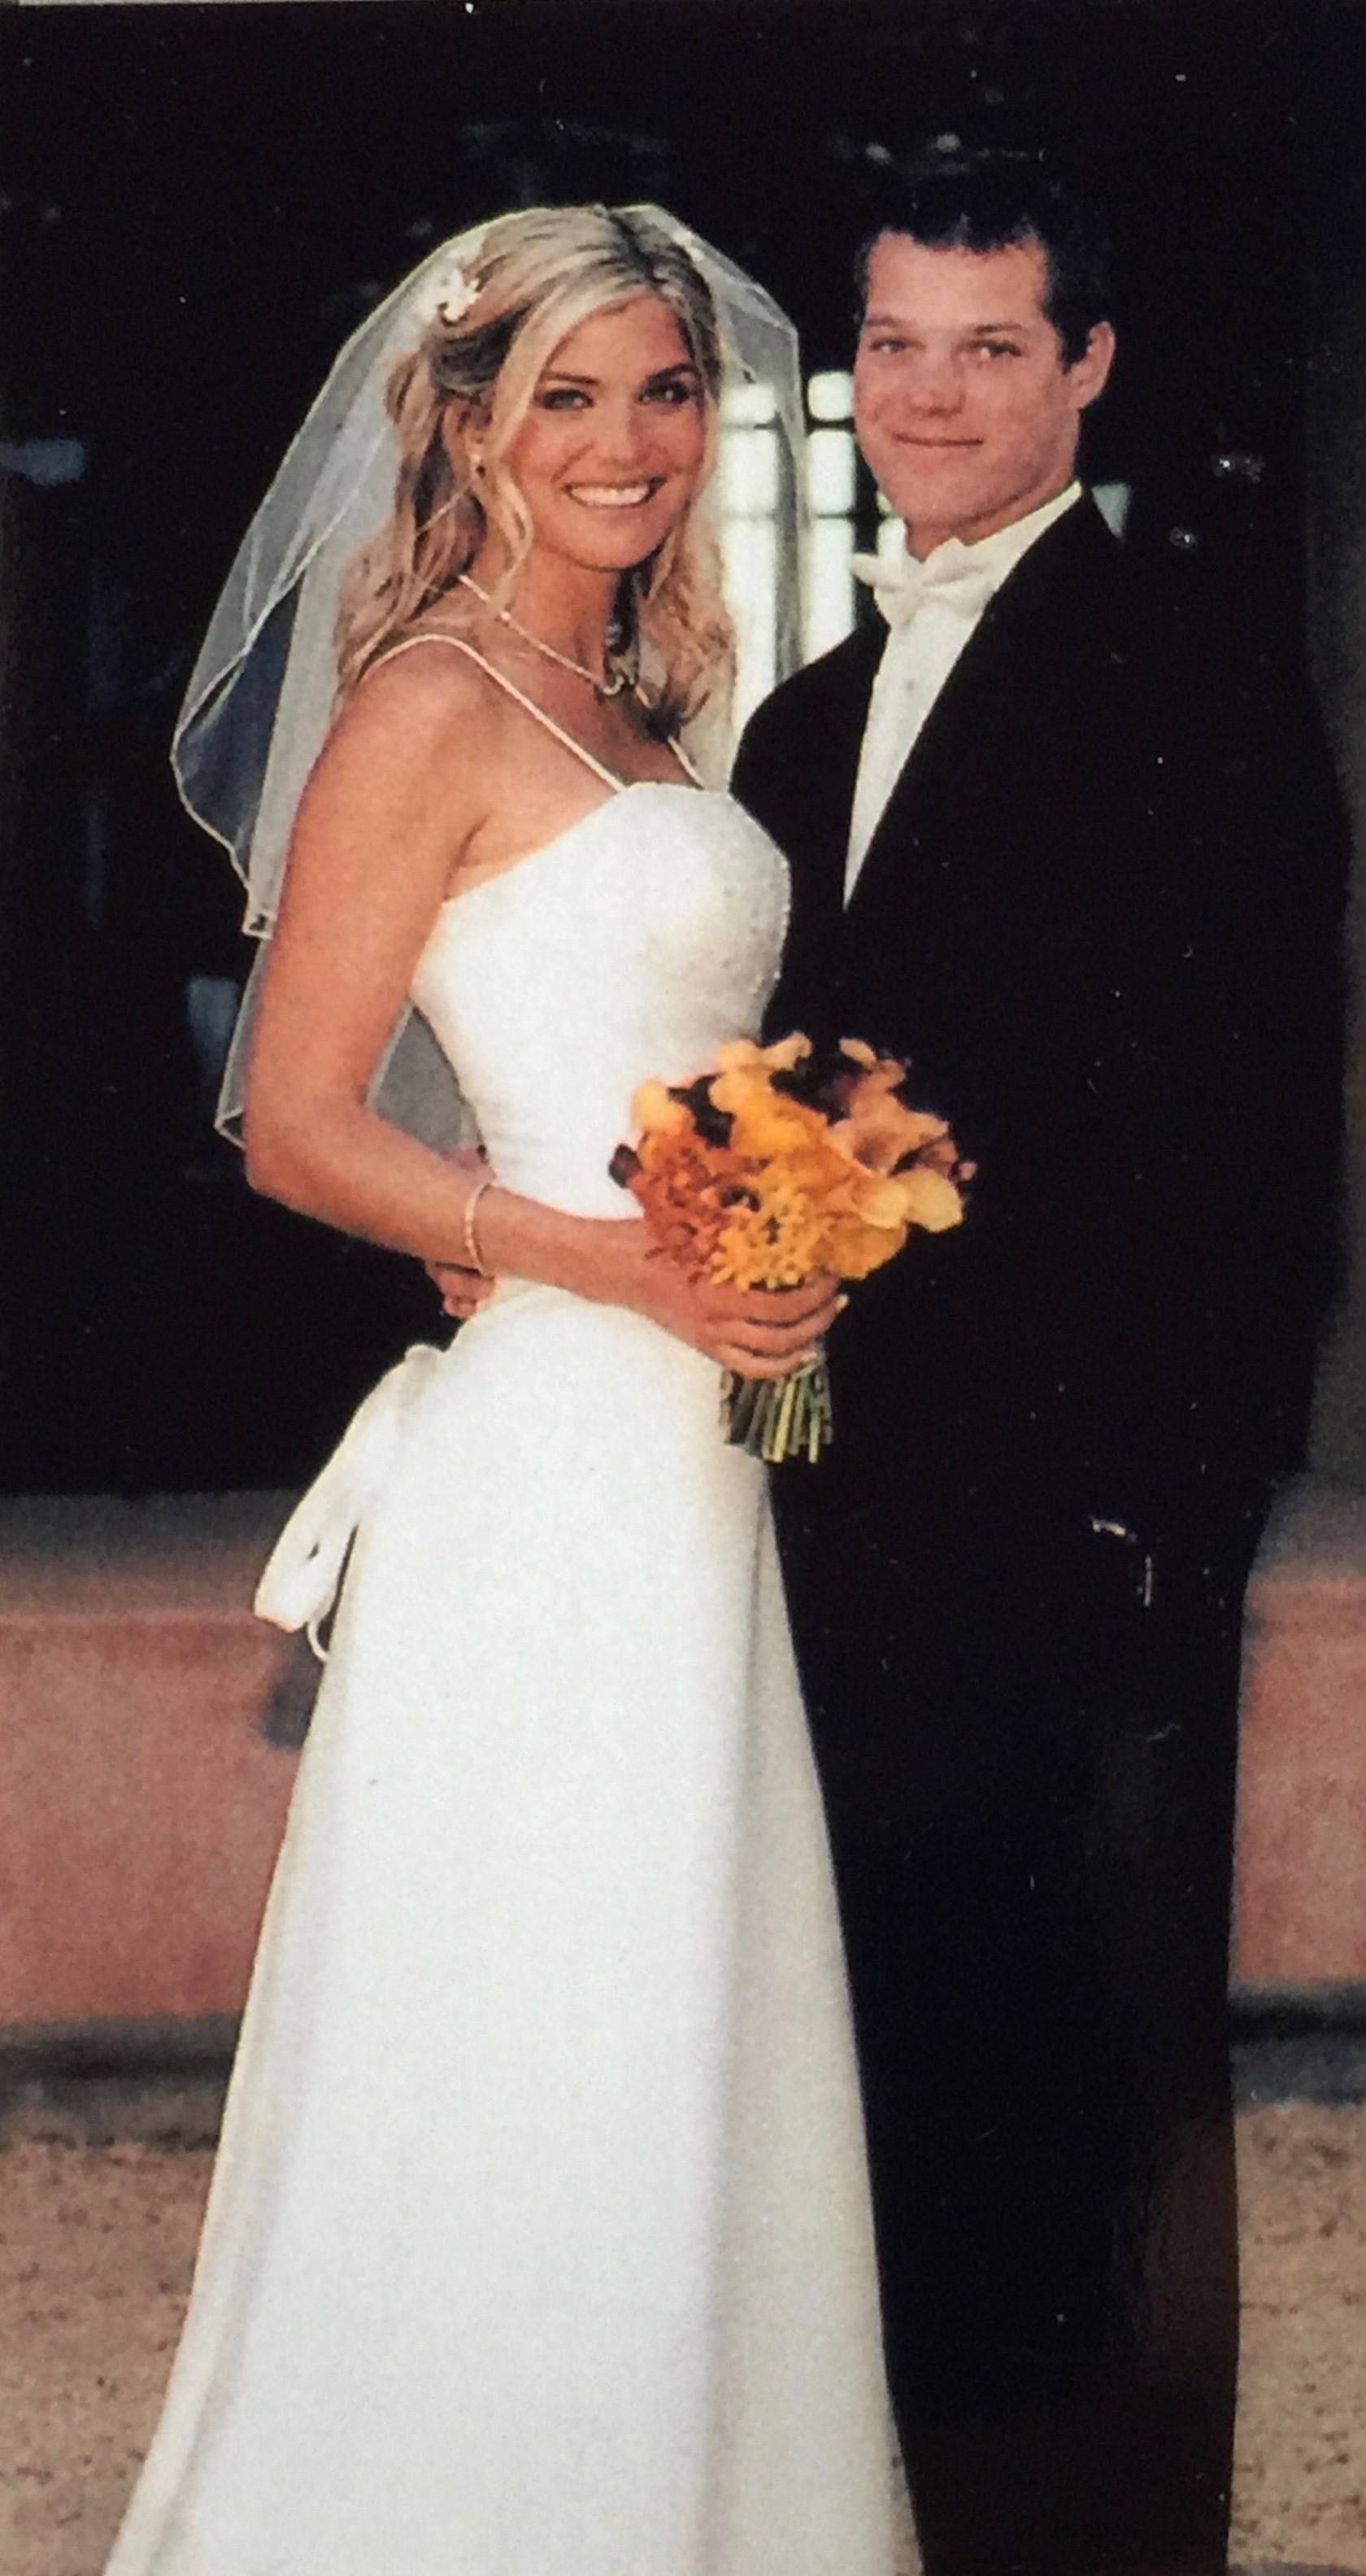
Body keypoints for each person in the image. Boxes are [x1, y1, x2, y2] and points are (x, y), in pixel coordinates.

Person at [103, 204, 898, 2576]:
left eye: (665, 393)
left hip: (689, 1458)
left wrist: (789, 1213)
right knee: (546, 2025)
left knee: (684, 2013)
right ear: (464, 427)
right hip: (557, 1457)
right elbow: (294, 1125)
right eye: (566, 396)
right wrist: (610, 1262)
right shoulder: (428, 706)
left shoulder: (634, 703)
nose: (627, 443)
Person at [729, 165, 1349, 2576]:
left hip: (1084, 1523)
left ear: (1087, 368)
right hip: (835, 1509)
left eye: (990, 347)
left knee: (1095, 2111)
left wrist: (1168, 1510)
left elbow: (1254, 1130)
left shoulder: (1194, 666)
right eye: (894, 345)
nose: (931, 395)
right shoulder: (800, 722)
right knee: (899, 2074)